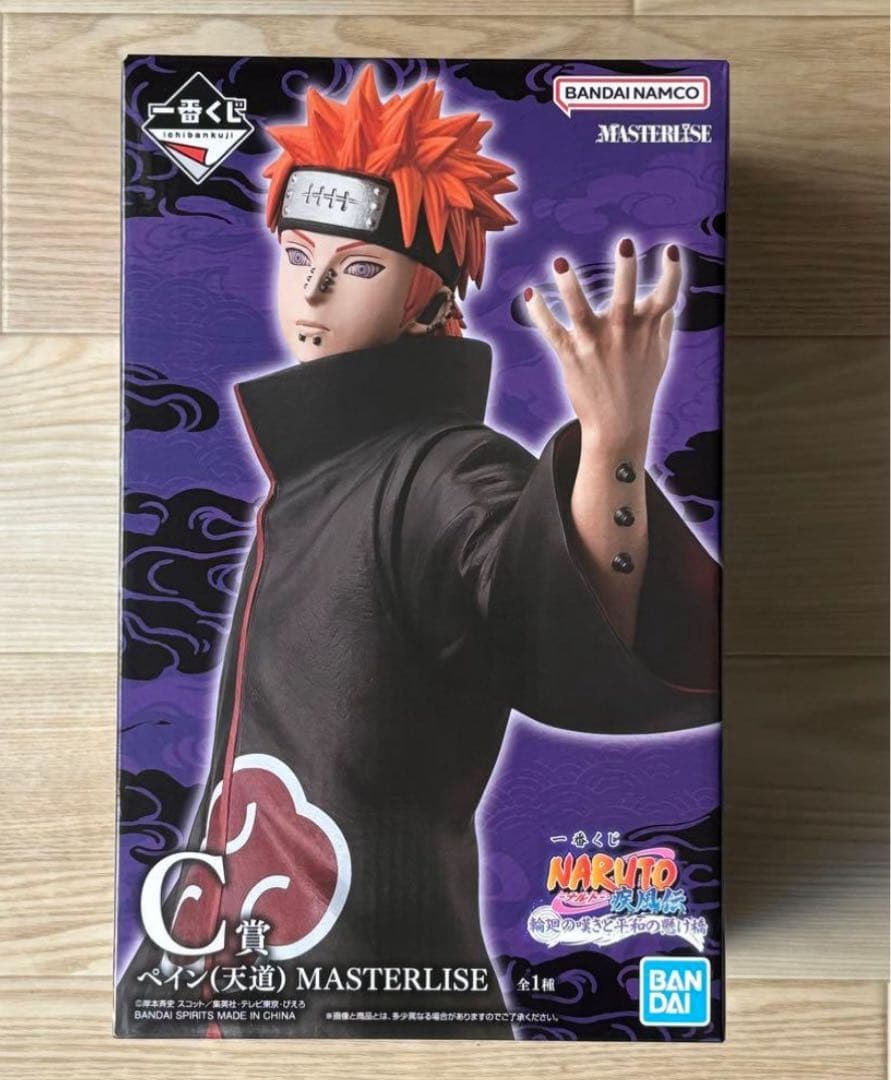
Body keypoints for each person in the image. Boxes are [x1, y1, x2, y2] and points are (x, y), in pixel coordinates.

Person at [116, 65, 719, 1040]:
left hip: (371, 998)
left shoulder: (443, 468)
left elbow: (545, 613)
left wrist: (611, 445)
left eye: (358, 268)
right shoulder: (318, 473)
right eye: (297, 254)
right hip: (221, 979)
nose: (311, 291)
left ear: (428, 297)